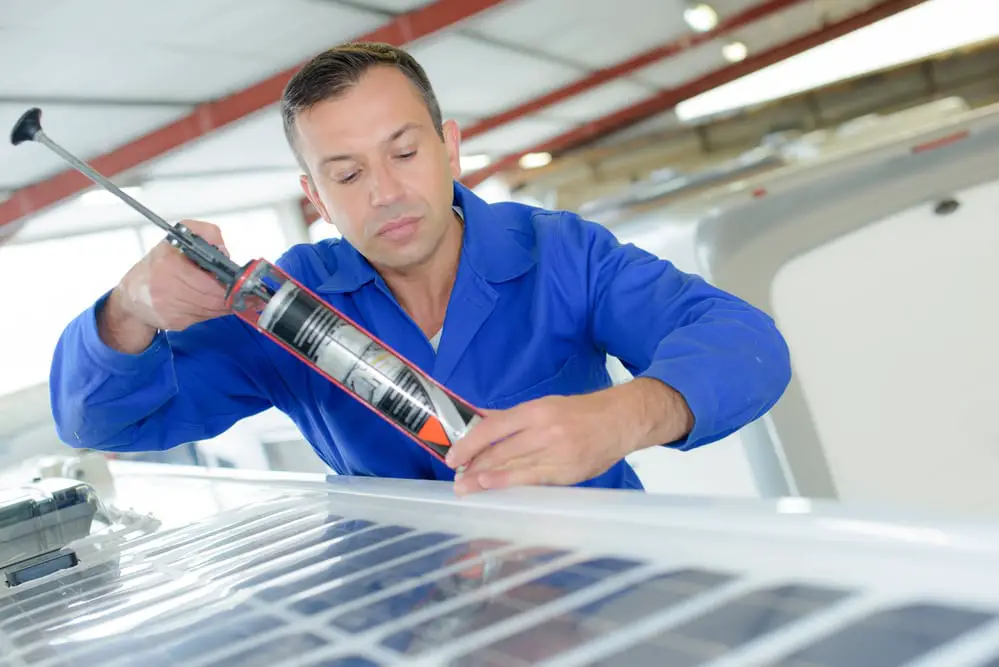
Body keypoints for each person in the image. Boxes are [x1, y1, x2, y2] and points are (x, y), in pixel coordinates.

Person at [49, 42, 792, 496]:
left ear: (449, 147)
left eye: (404, 153)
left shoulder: (561, 254)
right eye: (345, 174)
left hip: (602, 581)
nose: (385, 193)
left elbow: (745, 341)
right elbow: (101, 420)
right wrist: (129, 309)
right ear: (314, 197)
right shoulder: (283, 308)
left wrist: (624, 415)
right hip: (402, 617)